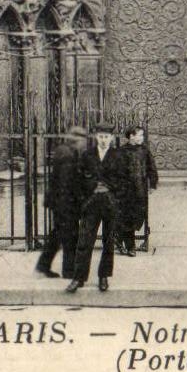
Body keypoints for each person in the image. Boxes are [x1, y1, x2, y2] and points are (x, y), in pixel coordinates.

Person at [66, 124, 127, 293]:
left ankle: (103, 276)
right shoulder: (87, 155)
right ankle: (78, 278)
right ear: (96, 137)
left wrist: (110, 189)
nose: (103, 140)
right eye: (101, 136)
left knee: (109, 241)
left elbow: (123, 179)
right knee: (84, 240)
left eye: (106, 137)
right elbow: (78, 178)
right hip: (91, 202)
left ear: (112, 138)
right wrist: (91, 188)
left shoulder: (118, 155)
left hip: (110, 202)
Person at [36, 127, 93, 281]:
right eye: (83, 140)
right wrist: (77, 200)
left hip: (61, 202)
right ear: (77, 139)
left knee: (58, 235)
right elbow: (67, 182)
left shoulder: (66, 150)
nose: (85, 143)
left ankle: (43, 265)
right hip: (65, 203)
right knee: (70, 236)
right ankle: (68, 271)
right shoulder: (68, 154)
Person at [116, 125, 159, 255]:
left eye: (142, 135)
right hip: (125, 191)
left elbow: (152, 168)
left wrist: (152, 184)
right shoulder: (121, 151)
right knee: (127, 217)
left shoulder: (144, 151)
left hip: (140, 190)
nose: (142, 138)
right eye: (140, 135)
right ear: (131, 136)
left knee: (139, 216)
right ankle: (131, 247)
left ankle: (119, 238)